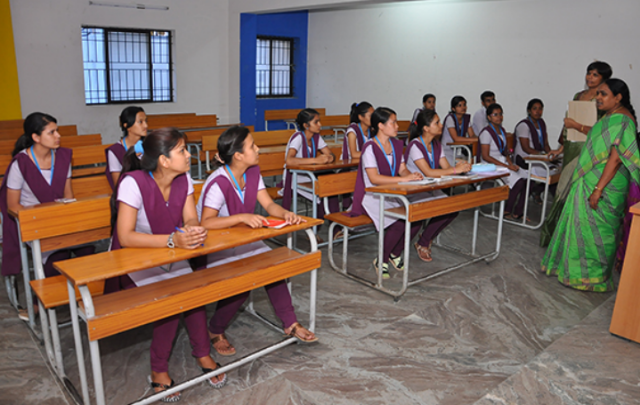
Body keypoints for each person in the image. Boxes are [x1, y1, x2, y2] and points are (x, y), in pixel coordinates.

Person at [111, 128, 226, 400]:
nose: (189, 155)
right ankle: (158, 369)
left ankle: (202, 353)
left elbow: (190, 218)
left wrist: (192, 229)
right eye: (182, 151)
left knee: (193, 291)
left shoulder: (184, 179)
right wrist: (173, 240)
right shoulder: (132, 182)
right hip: (135, 257)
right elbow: (125, 236)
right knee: (172, 299)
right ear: (163, 160)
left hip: (170, 252)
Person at [197, 126, 317, 357]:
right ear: (238, 155)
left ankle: (289, 323)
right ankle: (216, 329)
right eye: (252, 146)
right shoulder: (218, 182)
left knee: (273, 268)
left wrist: (285, 214)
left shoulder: (252, 172)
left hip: (242, 239)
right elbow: (206, 222)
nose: (258, 149)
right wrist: (242, 217)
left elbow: (269, 204)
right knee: (244, 281)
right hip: (216, 246)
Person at [542, 78, 640, 292]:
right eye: (598, 94)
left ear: (618, 97)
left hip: (605, 184)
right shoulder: (609, 117)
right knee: (583, 229)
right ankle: (577, 273)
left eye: (603, 94)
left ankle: (593, 278)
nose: (598, 98)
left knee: (600, 231)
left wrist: (598, 189)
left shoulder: (623, 121)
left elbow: (615, 159)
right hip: (592, 179)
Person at [0, 112, 94, 320]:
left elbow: (68, 195)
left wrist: (68, 220)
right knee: (57, 256)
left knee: (87, 249)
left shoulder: (63, 157)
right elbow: (12, 205)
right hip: (35, 223)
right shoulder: (20, 163)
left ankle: (85, 297)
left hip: (60, 218)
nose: (58, 135)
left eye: (57, 130)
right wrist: (42, 220)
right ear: (36, 137)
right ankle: (38, 304)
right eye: (51, 132)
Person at [345, 107, 427, 279]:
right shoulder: (369, 147)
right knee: (398, 222)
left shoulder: (396, 145)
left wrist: (411, 176)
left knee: (416, 218)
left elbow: (402, 169)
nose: (397, 126)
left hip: (390, 192)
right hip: (372, 195)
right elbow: (374, 178)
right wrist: (403, 179)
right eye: (393, 123)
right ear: (381, 126)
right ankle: (381, 260)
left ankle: (394, 253)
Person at [540, 61, 612, 246]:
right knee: (562, 190)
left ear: (604, 78)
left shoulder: (602, 100)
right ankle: (554, 235)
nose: (590, 77)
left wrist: (576, 126)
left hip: (587, 150)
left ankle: (573, 237)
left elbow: (599, 131)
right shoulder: (578, 96)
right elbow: (568, 126)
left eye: (595, 75)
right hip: (571, 147)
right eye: (589, 73)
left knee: (577, 191)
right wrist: (560, 149)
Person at [405, 109, 471, 261]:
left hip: (431, 188)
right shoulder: (415, 146)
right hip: (415, 190)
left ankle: (425, 238)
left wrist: (459, 167)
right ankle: (423, 242)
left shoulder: (436, 145)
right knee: (442, 208)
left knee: (453, 209)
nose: (441, 125)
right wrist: (455, 170)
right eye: (437, 123)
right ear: (426, 128)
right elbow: (428, 172)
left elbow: (446, 167)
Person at [280, 108, 338, 218]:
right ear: (306, 125)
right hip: (295, 177)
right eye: (316, 122)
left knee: (331, 186)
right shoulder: (298, 137)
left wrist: (329, 158)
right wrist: (316, 160)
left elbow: (330, 154)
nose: (320, 125)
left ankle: (332, 222)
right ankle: (317, 224)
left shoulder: (316, 137)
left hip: (309, 175)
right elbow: (289, 160)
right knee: (323, 191)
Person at [478, 104, 529, 219]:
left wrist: (511, 164)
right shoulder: (486, 132)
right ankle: (507, 210)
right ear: (489, 117)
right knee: (519, 182)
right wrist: (507, 166)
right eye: (495, 114)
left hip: (502, 163)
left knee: (527, 179)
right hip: (490, 165)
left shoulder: (502, 130)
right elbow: (485, 156)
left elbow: (505, 152)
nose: (499, 117)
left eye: (500, 114)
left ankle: (519, 211)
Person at [513, 99, 561, 203]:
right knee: (551, 171)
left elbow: (546, 144)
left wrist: (551, 154)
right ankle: (557, 202)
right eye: (535, 109)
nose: (538, 111)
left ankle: (539, 191)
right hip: (525, 159)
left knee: (559, 167)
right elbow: (526, 148)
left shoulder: (541, 123)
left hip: (538, 157)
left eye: (540, 109)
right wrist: (543, 155)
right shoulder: (523, 125)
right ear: (529, 110)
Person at [105, 106, 147, 190]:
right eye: (140, 122)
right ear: (127, 125)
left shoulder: (149, 145)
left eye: (146, 121)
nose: (146, 125)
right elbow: (118, 185)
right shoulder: (115, 151)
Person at [442, 96, 477, 166]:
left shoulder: (466, 119)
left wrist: (476, 138)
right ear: (453, 108)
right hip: (447, 151)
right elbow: (456, 139)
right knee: (463, 166)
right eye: (459, 105)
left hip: (460, 150)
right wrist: (476, 139)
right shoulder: (450, 118)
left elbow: (472, 135)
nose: (463, 107)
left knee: (471, 163)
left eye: (464, 105)